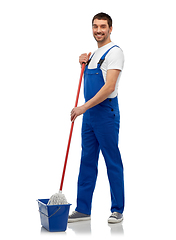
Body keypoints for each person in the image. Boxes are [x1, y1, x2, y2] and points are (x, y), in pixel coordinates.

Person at [68, 12, 125, 224]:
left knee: (112, 161)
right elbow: (92, 80)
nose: (98, 30)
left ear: (110, 29)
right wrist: (82, 64)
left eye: (103, 26)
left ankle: (117, 209)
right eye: (95, 26)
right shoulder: (92, 54)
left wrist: (83, 107)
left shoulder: (115, 52)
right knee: (87, 161)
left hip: (105, 114)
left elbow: (109, 86)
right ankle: (83, 209)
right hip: (90, 115)